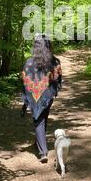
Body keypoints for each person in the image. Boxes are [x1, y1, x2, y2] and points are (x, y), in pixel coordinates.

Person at [21, 34, 62, 163]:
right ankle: (39, 142)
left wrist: (27, 98)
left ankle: (43, 152)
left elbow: (24, 80)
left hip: (34, 96)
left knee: (38, 121)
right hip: (48, 96)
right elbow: (58, 78)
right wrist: (54, 91)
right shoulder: (55, 61)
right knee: (43, 118)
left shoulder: (28, 62)